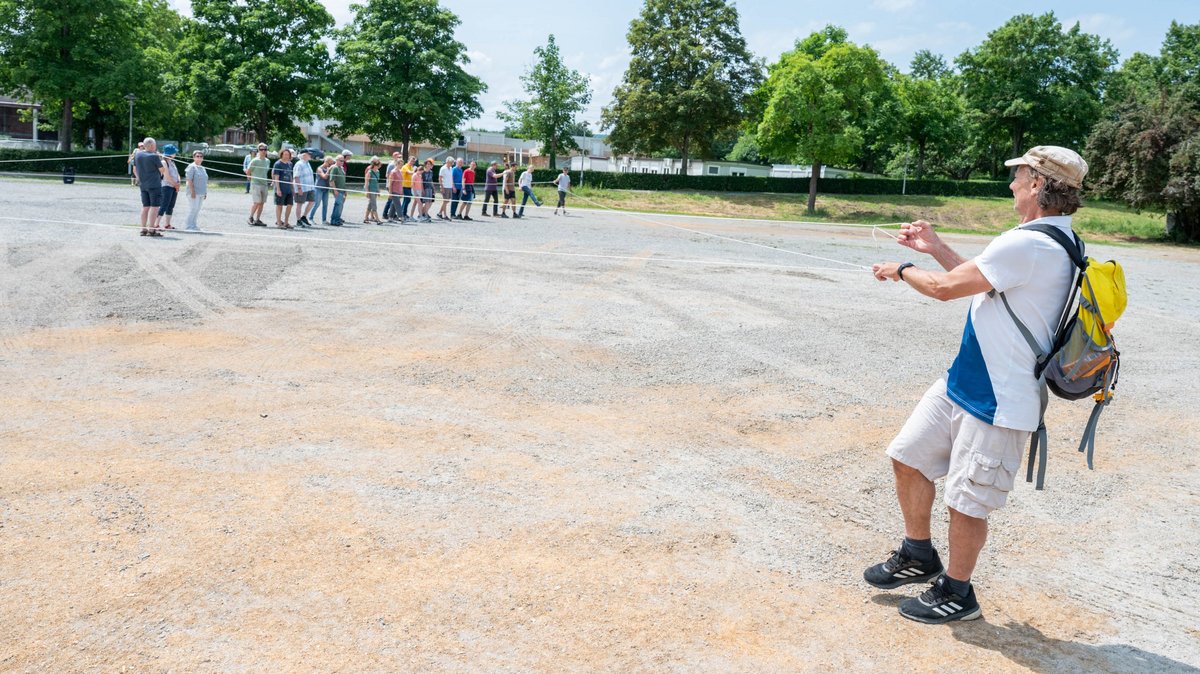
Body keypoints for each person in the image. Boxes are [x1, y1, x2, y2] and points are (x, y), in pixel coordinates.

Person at [865, 146, 1090, 625]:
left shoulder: (1030, 243)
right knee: (908, 456)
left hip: (998, 398)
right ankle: (918, 554)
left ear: (1037, 185)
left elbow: (947, 289)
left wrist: (901, 269)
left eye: (1019, 176)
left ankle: (958, 592)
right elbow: (988, 282)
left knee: (967, 501)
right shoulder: (1048, 239)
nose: (1011, 184)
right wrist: (934, 248)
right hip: (963, 381)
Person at [132, 137, 164, 236]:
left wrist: (139, 178)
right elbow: (162, 170)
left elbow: (135, 169)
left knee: (145, 207)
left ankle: (143, 229)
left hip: (143, 185)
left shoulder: (137, 154)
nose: (155, 147)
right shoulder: (154, 156)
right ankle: (151, 229)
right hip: (154, 184)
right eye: (155, 145)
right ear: (151, 145)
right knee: (154, 207)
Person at [245, 143, 271, 227]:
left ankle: (258, 219)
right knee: (257, 202)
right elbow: (248, 172)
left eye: (265, 149)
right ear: (258, 151)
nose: (263, 151)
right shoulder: (255, 160)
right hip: (256, 183)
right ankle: (250, 217)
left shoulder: (267, 161)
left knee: (262, 203)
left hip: (264, 184)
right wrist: (251, 181)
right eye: (261, 149)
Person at [157, 144, 181, 229]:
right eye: (174, 152)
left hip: (174, 187)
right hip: (167, 186)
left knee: (171, 206)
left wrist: (178, 183)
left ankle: (167, 224)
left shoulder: (172, 162)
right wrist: (175, 184)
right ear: (170, 153)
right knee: (164, 205)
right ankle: (156, 224)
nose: (175, 153)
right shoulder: (164, 162)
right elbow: (166, 176)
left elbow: (177, 174)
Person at [184, 150, 208, 232]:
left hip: (201, 192)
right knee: (193, 209)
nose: (199, 158)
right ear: (194, 157)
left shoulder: (202, 168)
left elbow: (204, 181)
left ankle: (193, 225)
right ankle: (188, 226)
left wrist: (205, 192)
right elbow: (189, 180)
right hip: (193, 192)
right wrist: (192, 192)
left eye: (201, 156)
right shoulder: (191, 166)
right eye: (197, 156)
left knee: (197, 209)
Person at [272, 148, 296, 229]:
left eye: (288, 155)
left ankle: (286, 222)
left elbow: (290, 176)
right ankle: (279, 223)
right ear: (281, 154)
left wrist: (293, 188)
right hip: (280, 188)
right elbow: (276, 178)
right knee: (279, 206)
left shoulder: (290, 164)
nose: (286, 156)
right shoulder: (278, 164)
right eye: (285, 154)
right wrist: (278, 189)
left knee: (290, 205)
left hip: (288, 189)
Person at [293, 149, 315, 227]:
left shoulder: (307, 163)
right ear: (304, 155)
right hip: (302, 188)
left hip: (310, 187)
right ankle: (298, 220)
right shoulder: (299, 164)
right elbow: (296, 176)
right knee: (300, 204)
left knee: (312, 201)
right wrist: (299, 188)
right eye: (309, 154)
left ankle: (304, 217)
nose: (310, 155)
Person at [313, 156, 335, 225]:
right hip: (319, 188)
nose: (330, 165)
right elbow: (324, 177)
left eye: (332, 164)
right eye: (330, 164)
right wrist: (329, 169)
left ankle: (324, 220)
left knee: (325, 205)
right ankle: (310, 218)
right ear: (325, 162)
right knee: (317, 204)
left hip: (326, 188)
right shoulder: (319, 169)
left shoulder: (329, 168)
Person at [328, 154, 348, 226]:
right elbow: (332, 180)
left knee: (340, 205)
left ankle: (337, 218)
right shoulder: (335, 168)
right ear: (336, 160)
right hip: (337, 190)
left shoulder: (341, 168)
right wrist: (335, 190)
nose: (342, 162)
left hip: (342, 190)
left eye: (343, 161)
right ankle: (334, 220)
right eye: (341, 160)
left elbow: (343, 180)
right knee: (338, 204)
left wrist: (345, 190)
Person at [383, 151, 401, 220]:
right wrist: (389, 185)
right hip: (390, 185)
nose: (399, 157)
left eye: (399, 156)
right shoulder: (391, 165)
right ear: (394, 157)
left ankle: (392, 214)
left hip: (396, 186)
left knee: (394, 200)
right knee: (391, 199)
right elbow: (387, 175)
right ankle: (385, 214)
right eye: (397, 156)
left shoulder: (398, 165)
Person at [364, 156, 382, 224]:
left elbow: (377, 182)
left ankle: (365, 218)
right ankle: (377, 219)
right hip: (370, 190)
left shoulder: (377, 172)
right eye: (378, 164)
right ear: (374, 165)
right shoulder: (369, 172)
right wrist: (367, 192)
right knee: (374, 205)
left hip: (375, 190)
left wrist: (378, 190)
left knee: (370, 205)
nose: (379, 166)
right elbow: (366, 182)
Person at [388, 156, 405, 224]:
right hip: (394, 190)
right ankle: (401, 217)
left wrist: (401, 191)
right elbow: (390, 183)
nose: (401, 166)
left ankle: (390, 217)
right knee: (398, 204)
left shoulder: (400, 172)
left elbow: (401, 182)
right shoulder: (393, 172)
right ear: (397, 164)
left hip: (399, 190)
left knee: (393, 204)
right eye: (400, 164)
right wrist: (390, 192)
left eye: (402, 164)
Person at [419, 158, 435, 222]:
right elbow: (421, 182)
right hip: (425, 188)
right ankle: (425, 214)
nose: (428, 165)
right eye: (427, 164)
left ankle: (424, 212)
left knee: (430, 202)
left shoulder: (431, 172)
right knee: (426, 202)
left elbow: (431, 181)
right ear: (425, 165)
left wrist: (433, 189)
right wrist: (422, 190)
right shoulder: (423, 172)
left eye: (430, 164)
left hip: (430, 188)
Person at [400, 156, 416, 222]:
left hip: (409, 186)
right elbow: (410, 172)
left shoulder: (411, 167)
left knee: (407, 200)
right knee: (407, 200)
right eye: (411, 161)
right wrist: (415, 170)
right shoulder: (405, 166)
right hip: (405, 185)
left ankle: (403, 213)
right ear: (408, 160)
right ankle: (403, 214)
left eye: (413, 161)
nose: (412, 162)